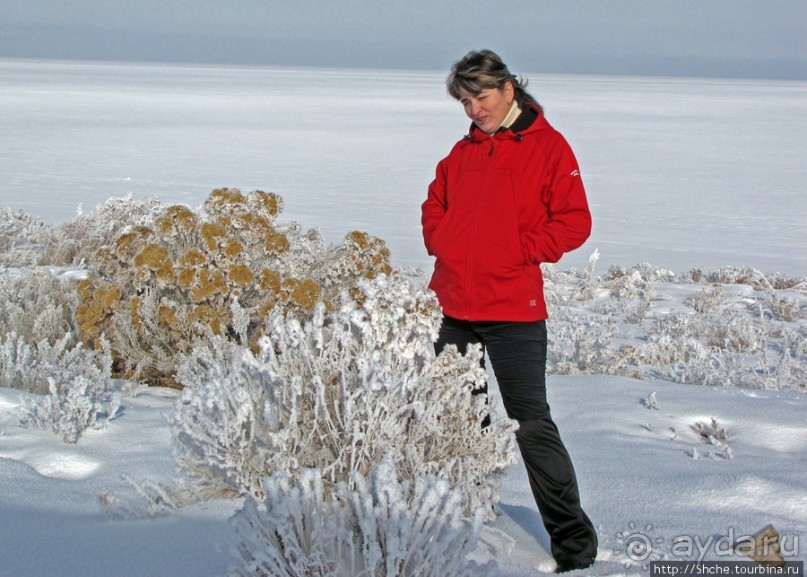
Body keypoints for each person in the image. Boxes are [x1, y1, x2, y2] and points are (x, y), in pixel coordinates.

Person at [421, 49, 598, 573]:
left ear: (508, 89)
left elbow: (574, 222)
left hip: (513, 312)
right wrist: (445, 240)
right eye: (465, 100)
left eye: (481, 96)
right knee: (459, 420)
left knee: (530, 424)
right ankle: (471, 513)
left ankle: (573, 542)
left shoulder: (548, 148)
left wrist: (519, 250)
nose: (474, 109)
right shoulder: (461, 153)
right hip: (453, 307)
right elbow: (434, 204)